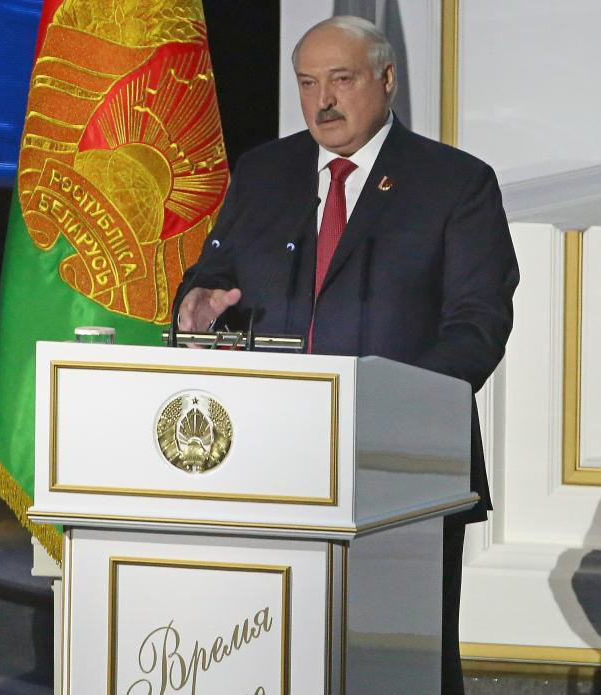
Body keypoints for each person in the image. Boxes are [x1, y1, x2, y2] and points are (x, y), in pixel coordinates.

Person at [176, 15, 518, 694]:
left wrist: (389, 408)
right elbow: (211, 279)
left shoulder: (454, 182)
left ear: (386, 80)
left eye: (341, 79)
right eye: (307, 83)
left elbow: (478, 325)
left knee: (397, 667)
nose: (322, 101)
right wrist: (196, 308)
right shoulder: (265, 171)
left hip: (401, 468)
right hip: (267, 459)